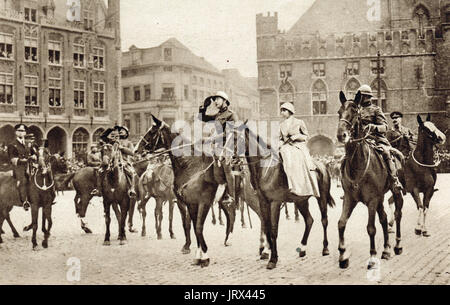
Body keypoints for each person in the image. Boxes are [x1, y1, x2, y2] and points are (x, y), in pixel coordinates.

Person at [357, 85, 403, 192]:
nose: (359, 99)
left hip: (376, 140)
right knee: (347, 156)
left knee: (386, 153)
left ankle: (395, 180)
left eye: (361, 96)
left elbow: (385, 127)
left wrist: (373, 127)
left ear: (367, 97)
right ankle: (348, 185)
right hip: (361, 141)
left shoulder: (376, 110)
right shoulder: (356, 110)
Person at [198, 91, 239, 206]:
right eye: (214, 99)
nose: (215, 101)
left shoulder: (231, 115)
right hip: (217, 147)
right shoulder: (217, 115)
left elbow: (230, 133)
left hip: (229, 146)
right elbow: (202, 118)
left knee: (226, 166)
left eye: (217, 99)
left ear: (224, 100)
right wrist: (203, 106)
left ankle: (232, 196)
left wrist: (212, 138)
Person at [278, 102, 320, 197]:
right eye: (281, 110)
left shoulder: (299, 122)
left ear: (290, 111)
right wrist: (279, 144)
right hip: (286, 146)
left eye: (284, 110)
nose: (282, 112)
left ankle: (298, 186)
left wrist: (296, 136)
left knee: (291, 157)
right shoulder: (281, 125)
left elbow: (306, 136)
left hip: (298, 145)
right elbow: (280, 138)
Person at [98, 126, 137, 198]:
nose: (121, 131)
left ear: (126, 133)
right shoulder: (113, 141)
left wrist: (122, 148)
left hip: (124, 161)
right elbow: (103, 137)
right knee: (100, 170)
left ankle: (132, 189)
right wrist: (110, 129)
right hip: (112, 161)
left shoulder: (129, 143)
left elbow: (132, 152)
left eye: (123, 130)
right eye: (120, 130)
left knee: (131, 172)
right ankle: (98, 189)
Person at [7, 124, 37, 210]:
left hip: (30, 166)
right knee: (23, 180)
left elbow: (34, 153)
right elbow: (13, 160)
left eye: (23, 131)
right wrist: (25, 160)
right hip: (18, 168)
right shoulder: (12, 144)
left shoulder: (29, 143)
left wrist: (34, 156)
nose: (21, 132)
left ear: (25, 132)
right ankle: (25, 201)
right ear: (16, 132)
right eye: (19, 130)